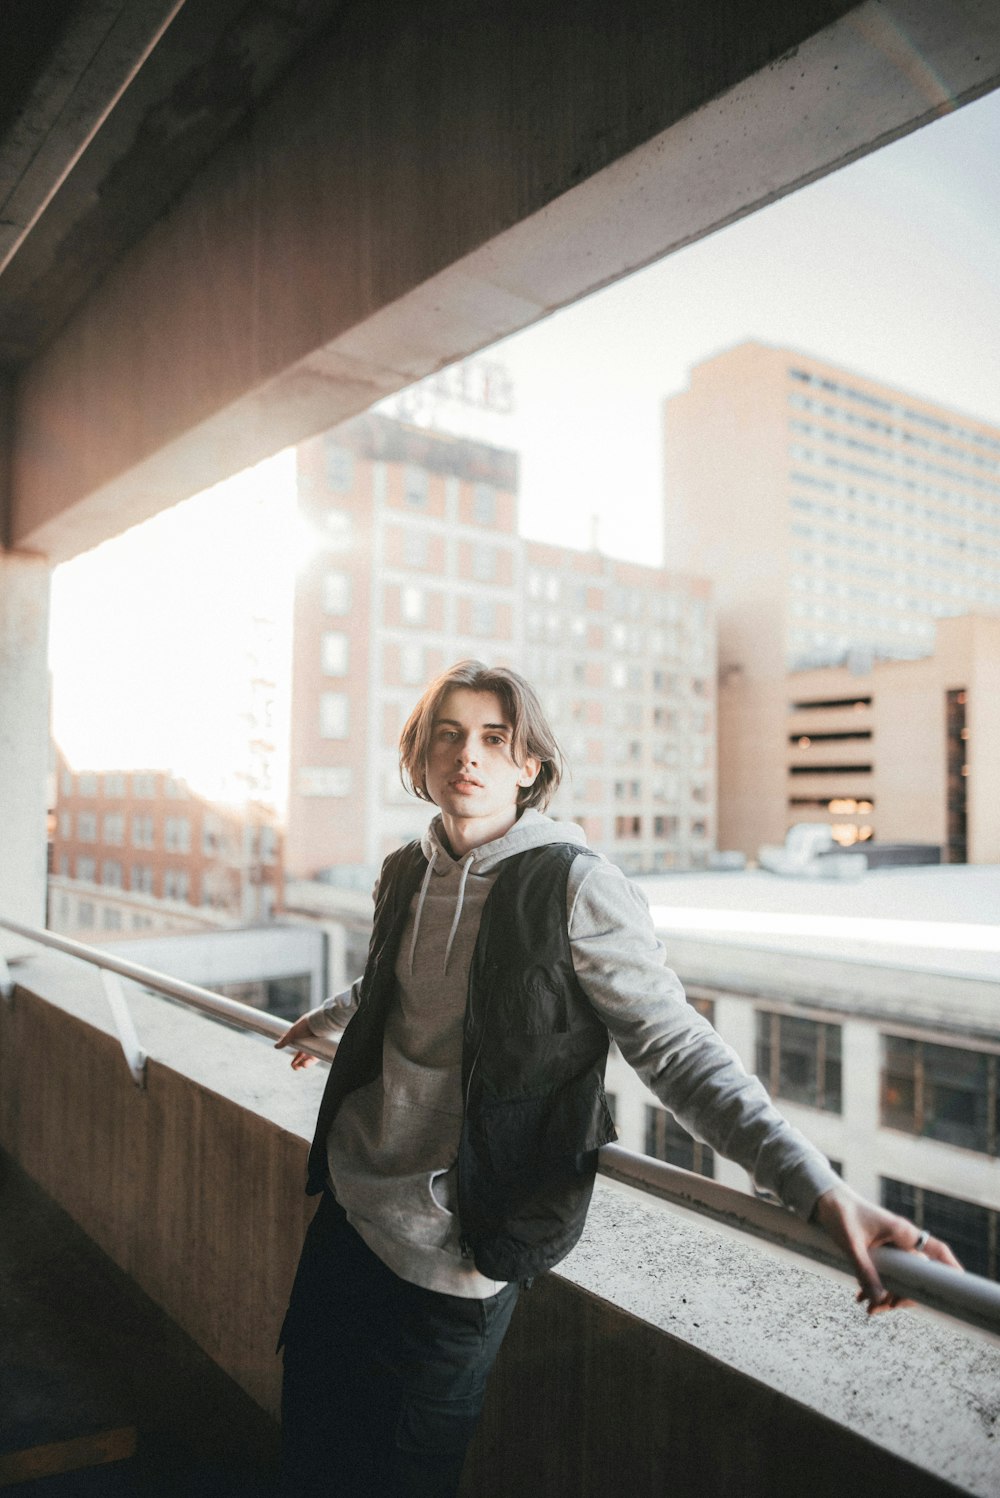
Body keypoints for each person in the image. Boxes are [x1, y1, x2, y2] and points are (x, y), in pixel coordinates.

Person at [274, 659, 960, 1497]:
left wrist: (818, 1190)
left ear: (530, 767)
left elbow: (678, 1051)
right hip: (349, 1217)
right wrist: (331, 1020)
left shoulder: (578, 885)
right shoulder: (404, 871)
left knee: (400, 1478)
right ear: (420, 757)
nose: (469, 756)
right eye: (448, 735)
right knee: (308, 1445)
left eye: (496, 739)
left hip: (453, 1252)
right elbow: (397, 980)